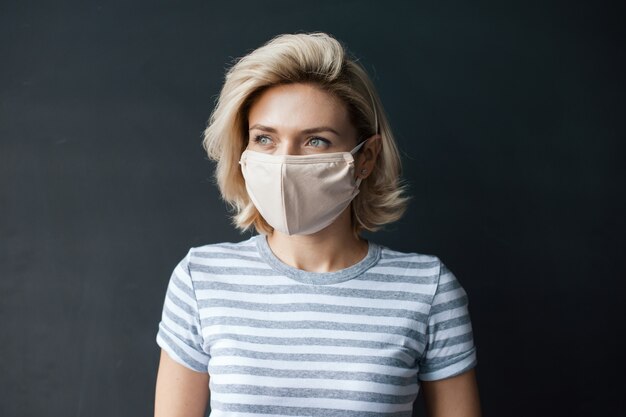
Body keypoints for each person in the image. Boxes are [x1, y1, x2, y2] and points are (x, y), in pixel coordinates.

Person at [154, 32, 481, 417]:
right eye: (265, 138)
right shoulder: (201, 279)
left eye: (316, 141)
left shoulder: (428, 289)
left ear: (365, 157)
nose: (284, 163)